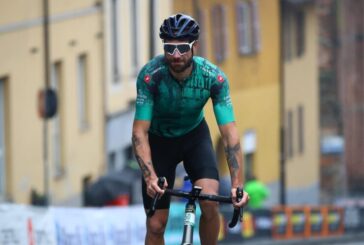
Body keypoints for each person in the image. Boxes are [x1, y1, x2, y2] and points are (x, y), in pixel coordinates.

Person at [132, 13, 249, 245]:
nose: (175, 55)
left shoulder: (213, 78)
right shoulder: (150, 77)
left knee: (210, 203)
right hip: (159, 141)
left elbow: (229, 134)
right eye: (169, 48)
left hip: (194, 137)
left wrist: (237, 184)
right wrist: (150, 177)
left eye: (183, 48)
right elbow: (139, 132)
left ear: (195, 46)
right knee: (156, 225)